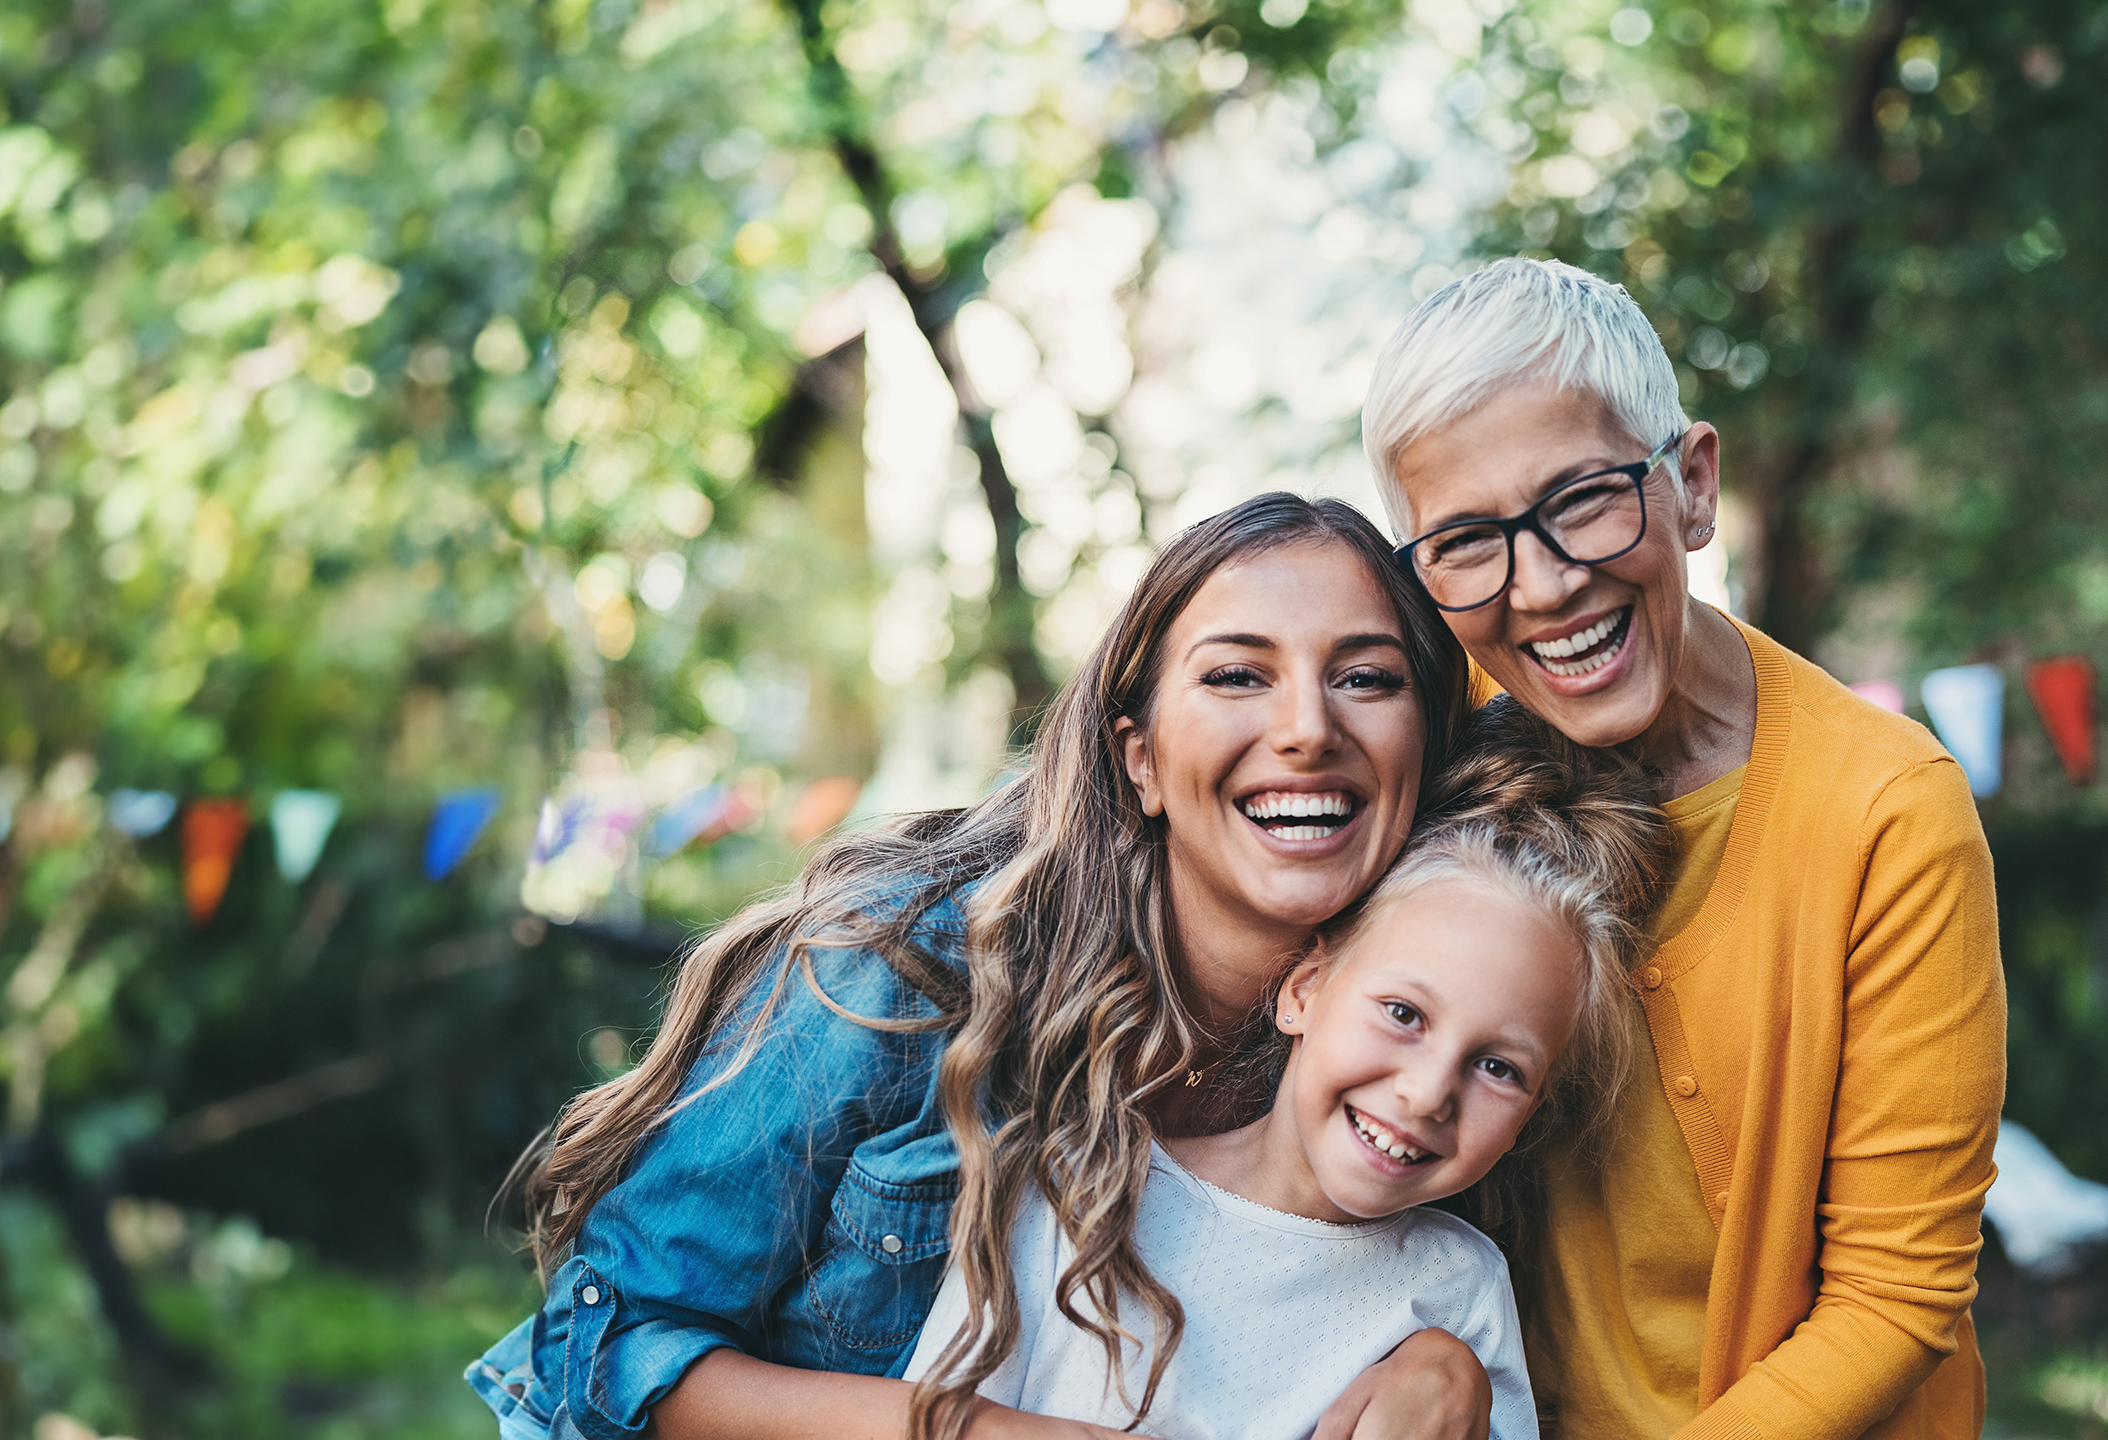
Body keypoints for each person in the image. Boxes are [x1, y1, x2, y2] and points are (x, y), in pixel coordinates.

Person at [465, 494, 1489, 1440]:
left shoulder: (1439, 1035)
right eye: (1235, 676)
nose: (1308, 729)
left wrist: (1446, 1360)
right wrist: (971, 1431)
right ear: (1139, 757)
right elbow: (601, 1350)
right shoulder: (903, 969)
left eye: (1367, 678)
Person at [1361, 258, 2006, 1440]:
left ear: (1692, 485)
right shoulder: (1427, 765)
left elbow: (1893, 1297)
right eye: (1465, 541)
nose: (1543, 587)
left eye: (1580, 500)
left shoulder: (1884, 811)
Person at [899, 698, 1670, 1440]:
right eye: (1403, 1014)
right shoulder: (1081, 1188)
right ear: (1304, 991)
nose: (1428, 1093)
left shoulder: (1460, 1293)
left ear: (1533, 1110)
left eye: (1499, 1067)